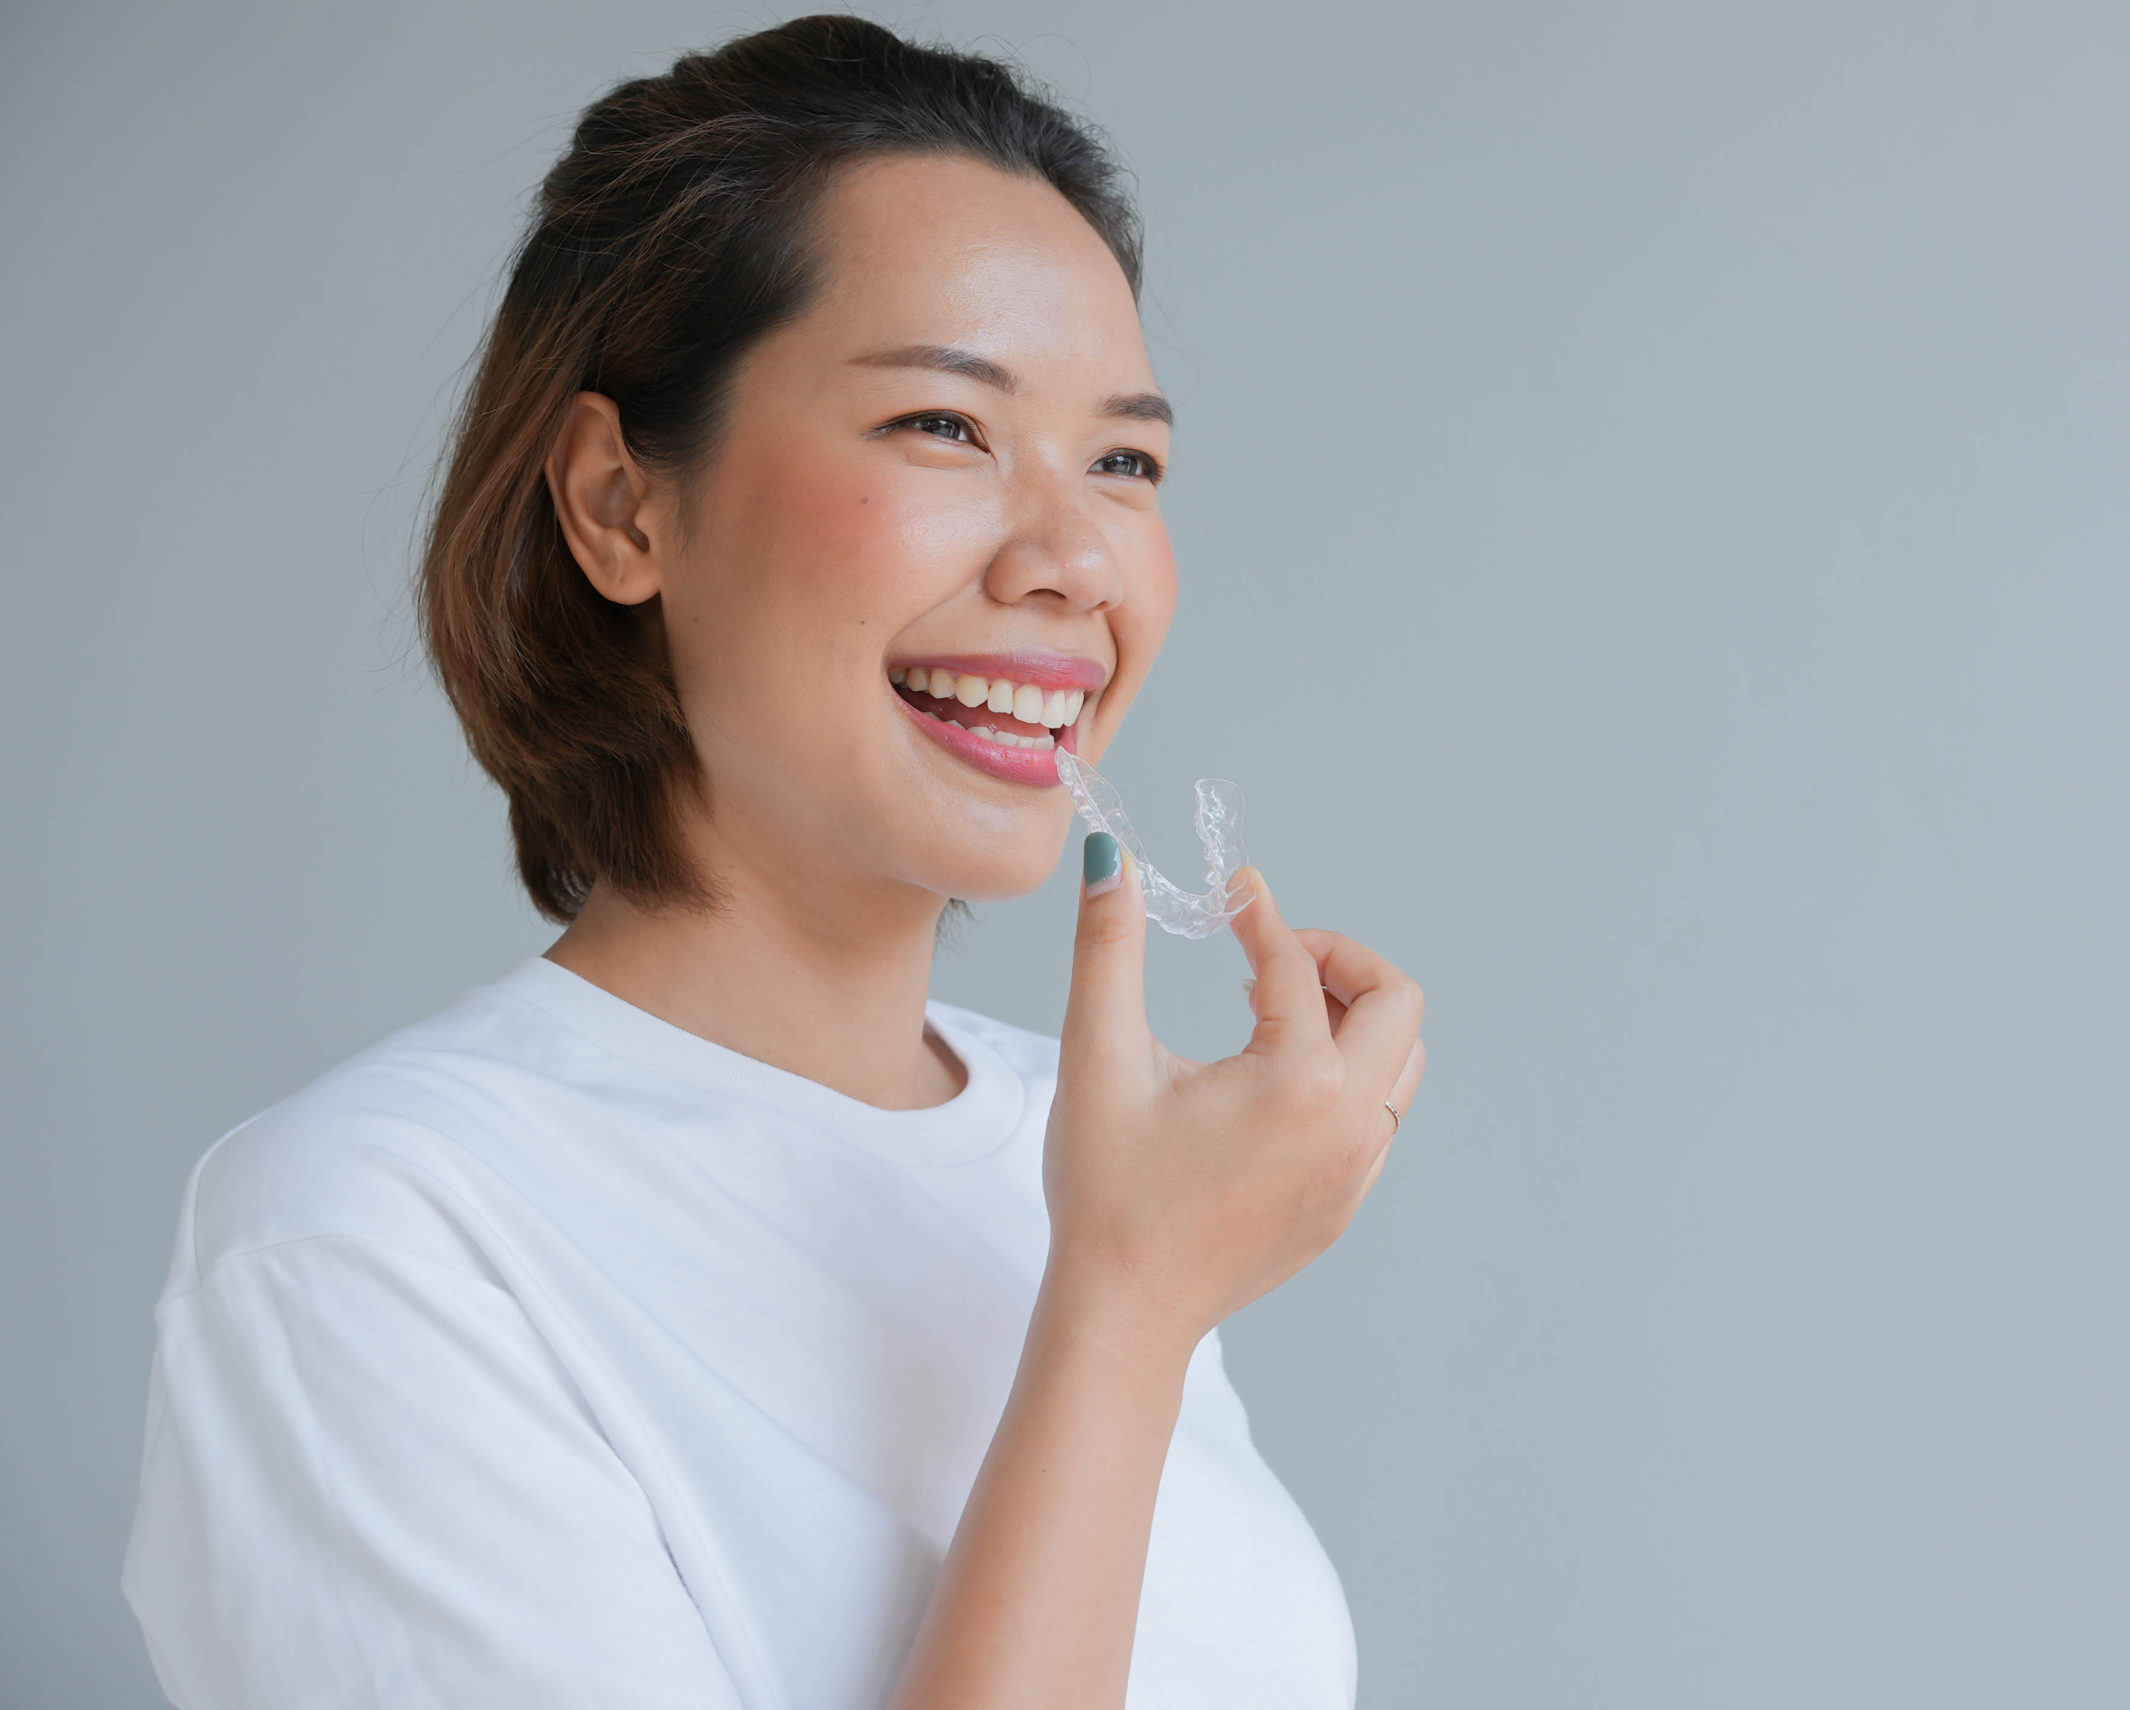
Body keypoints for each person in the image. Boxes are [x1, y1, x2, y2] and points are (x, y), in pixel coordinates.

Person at [119, 17, 1426, 1708]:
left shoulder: (1091, 1149)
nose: (1074, 560)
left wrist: (1139, 1259)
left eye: (1124, 461)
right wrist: (1125, 1305)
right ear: (618, 505)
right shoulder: (374, 1243)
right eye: (946, 427)